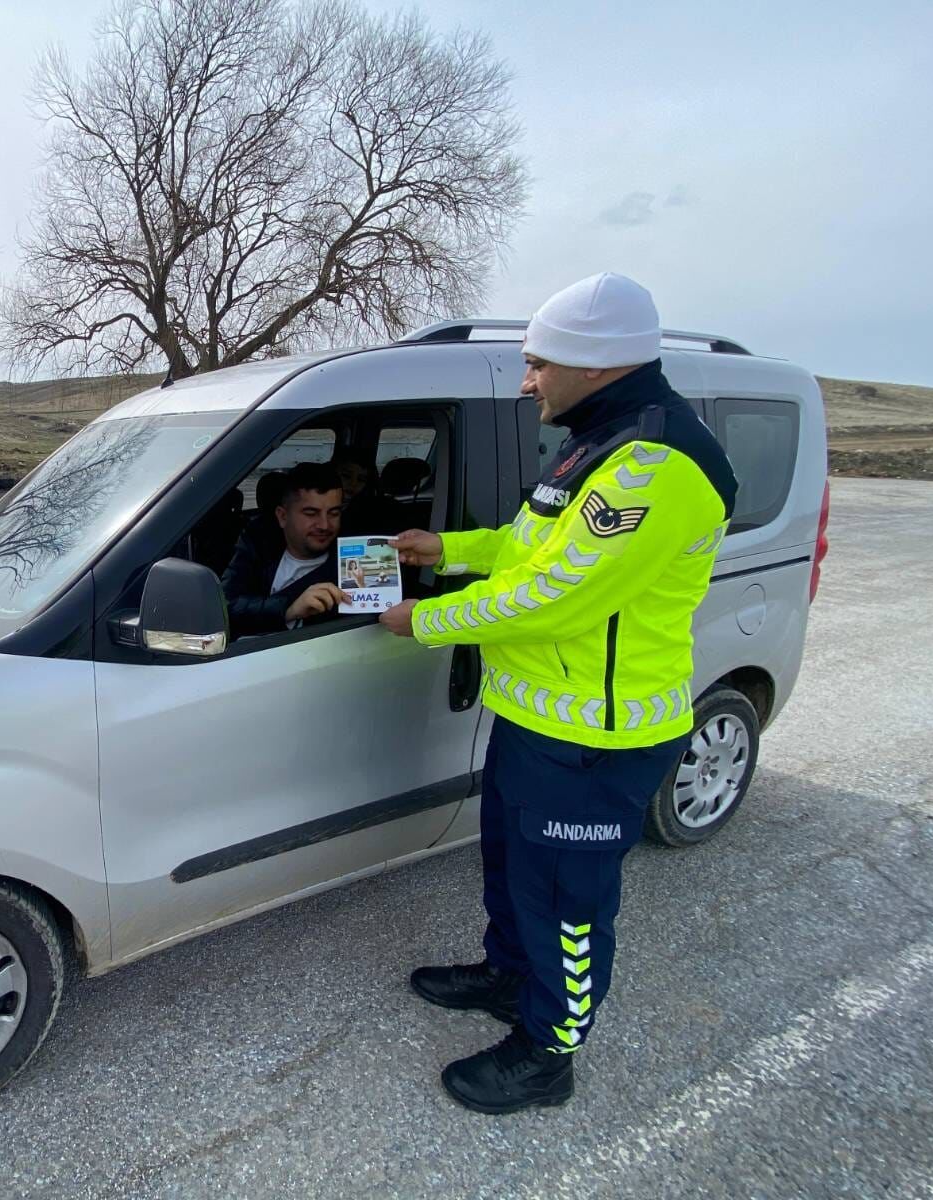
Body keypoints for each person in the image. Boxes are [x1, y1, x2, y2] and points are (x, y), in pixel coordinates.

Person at [379, 273, 738, 1114]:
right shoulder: (598, 439)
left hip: (595, 742)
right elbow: (525, 547)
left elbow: (556, 596)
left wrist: (426, 618)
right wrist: (447, 548)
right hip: (537, 719)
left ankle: (548, 1053)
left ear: (595, 364)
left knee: (568, 906)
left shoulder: (656, 464)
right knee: (512, 869)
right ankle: (509, 974)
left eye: (540, 364)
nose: (529, 380)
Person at [220, 461, 348, 638]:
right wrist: (287, 609)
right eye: (311, 514)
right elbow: (223, 607)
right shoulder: (258, 542)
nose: (324, 525)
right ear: (282, 516)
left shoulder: (353, 561)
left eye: (334, 513)